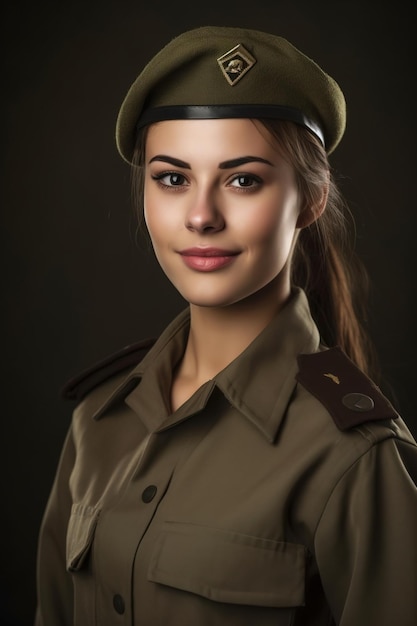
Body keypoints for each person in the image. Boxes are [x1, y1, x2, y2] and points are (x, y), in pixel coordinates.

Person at [34, 26, 417, 626]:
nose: (201, 216)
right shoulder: (98, 422)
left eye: (243, 180)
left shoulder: (353, 455)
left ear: (310, 201)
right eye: (172, 178)